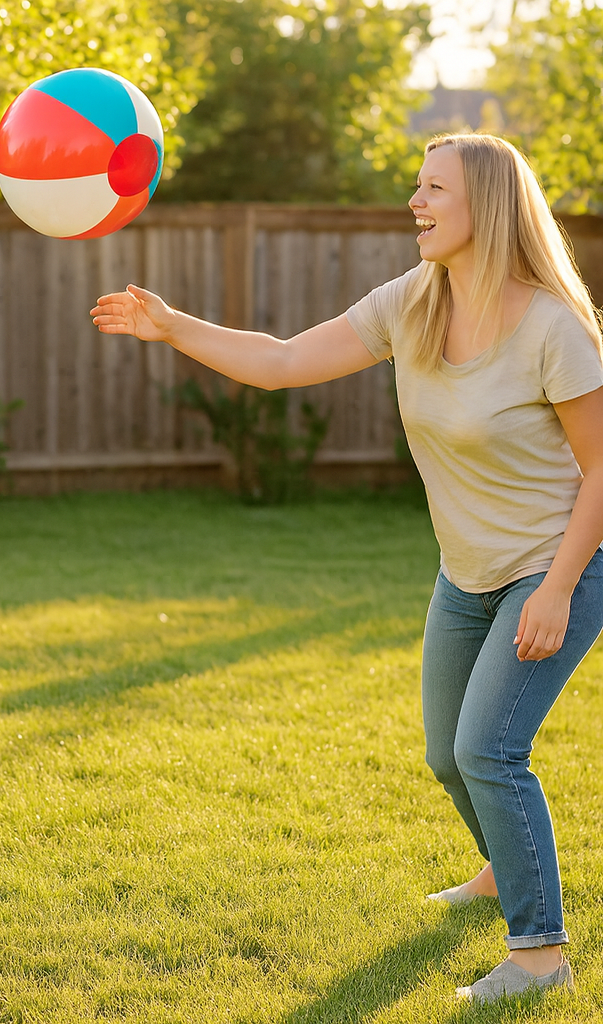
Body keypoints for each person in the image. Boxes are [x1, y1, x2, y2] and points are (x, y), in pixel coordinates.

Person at [90, 132, 603, 1004]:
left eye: (433, 188)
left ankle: (539, 953)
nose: (416, 201)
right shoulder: (416, 301)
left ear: (486, 204)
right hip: (466, 571)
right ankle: (497, 871)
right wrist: (173, 328)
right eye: (417, 185)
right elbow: (286, 360)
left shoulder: (553, 327)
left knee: (490, 749)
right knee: (448, 755)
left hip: (558, 566)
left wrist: (555, 589)